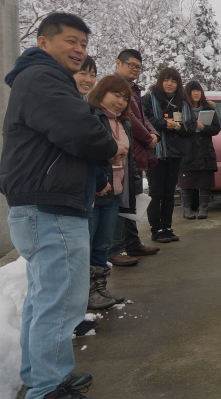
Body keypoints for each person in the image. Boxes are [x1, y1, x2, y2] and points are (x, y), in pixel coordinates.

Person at [0, 12, 126, 399]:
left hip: (40, 206)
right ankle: (48, 389)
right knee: (61, 302)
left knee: (43, 299)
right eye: (71, 41)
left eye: (83, 44)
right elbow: (79, 131)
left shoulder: (39, 80)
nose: (79, 50)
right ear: (44, 42)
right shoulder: (43, 78)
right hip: (50, 208)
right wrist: (109, 146)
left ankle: (41, 376)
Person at [85, 75, 141, 310]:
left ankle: (100, 289)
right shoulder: (91, 116)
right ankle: (87, 291)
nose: (120, 101)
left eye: (125, 98)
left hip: (115, 191)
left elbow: (128, 159)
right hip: (97, 191)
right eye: (116, 95)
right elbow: (89, 153)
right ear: (102, 92)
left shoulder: (122, 122)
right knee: (88, 243)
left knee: (102, 244)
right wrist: (99, 182)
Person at [108, 49, 160, 267]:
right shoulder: (113, 87)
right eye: (132, 65)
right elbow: (130, 119)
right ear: (118, 63)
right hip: (123, 152)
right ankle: (116, 248)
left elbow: (141, 117)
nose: (135, 70)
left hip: (135, 155)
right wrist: (148, 137)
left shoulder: (134, 90)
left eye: (138, 67)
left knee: (134, 199)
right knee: (121, 201)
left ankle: (132, 242)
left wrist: (153, 133)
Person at [143, 67, 195, 243]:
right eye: (166, 80)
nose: (169, 84)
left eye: (173, 81)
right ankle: (156, 229)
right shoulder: (149, 99)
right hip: (155, 152)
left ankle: (167, 227)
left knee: (169, 193)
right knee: (155, 193)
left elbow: (191, 128)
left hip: (175, 153)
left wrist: (179, 127)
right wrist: (164, 124)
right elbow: (143, 120)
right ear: (160, 81)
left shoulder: (183, 103)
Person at [178, 81, 221, 220]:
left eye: (198, 90)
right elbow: (178, 130)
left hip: (204, 149)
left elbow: (216, 129)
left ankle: (203, 208)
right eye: (193, 91)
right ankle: (187, 209)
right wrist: (191, 126)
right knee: (186, 181)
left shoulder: (209, 108)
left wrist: (203, 127)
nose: (196, 93)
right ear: (187, 93)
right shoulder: (182, 108)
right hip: (187, 149)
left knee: (205, 181)